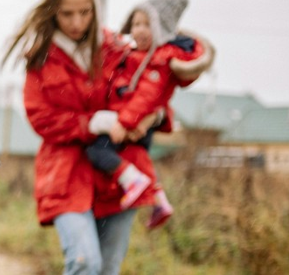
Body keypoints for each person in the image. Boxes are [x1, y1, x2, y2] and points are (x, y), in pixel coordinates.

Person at [4, 0, 211, 275]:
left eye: (85, 12)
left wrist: (156, 115)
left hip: (118, 173)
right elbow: (42, 119)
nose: (78, 22)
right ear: (53, 13)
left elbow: (154, 77)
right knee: (84, 260)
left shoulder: (117, 46)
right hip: (65, 175)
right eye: (68, 14)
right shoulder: (41, 57)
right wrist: (92, 122)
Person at [87, 0, 214, 229]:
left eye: (147, 24)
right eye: (135, 24)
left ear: (160, 29)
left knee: (97, 150)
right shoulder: (133, 55)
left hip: (129, 121)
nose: (139, 30)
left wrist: (125, 123)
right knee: (138, 157)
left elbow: (146, 96)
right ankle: (159, 201)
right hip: (133, 120)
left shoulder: (157, 60)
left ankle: (131, 180)